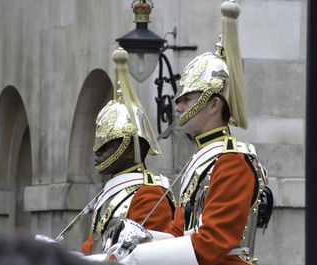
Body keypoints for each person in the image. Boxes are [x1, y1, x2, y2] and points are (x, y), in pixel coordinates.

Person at [116, 1, 272, 264]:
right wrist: (133, 243)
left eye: (187, 99)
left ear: (213, 104)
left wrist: (141, 257)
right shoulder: (203, 158)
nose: (177, 106)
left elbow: (213, 242)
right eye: (178, 99)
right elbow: (179, 233)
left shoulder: (232, 160)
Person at [80, 48, 177, 255]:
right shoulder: (110, 192)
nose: (97, 153)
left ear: (129, 151)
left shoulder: (148, 192)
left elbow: (141, 255)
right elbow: (92, 249)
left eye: (106, 146)